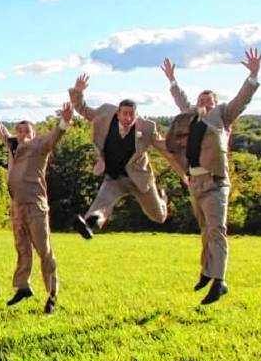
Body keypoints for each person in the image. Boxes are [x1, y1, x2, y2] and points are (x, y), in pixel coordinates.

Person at [163, 49, 261, 305]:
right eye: (201, 100)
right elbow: (181, 100)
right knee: (205, 231)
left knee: (217, 230)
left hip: (216, 182)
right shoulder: (190, 116)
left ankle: (220, 281)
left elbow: (241, 100)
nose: (204, 103)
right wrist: (172, 80)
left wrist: (253, 75)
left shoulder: (222, 116)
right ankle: (207, 272)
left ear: (215, 103)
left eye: (209, 100)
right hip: (195, 182)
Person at [0, 97, 72, 314]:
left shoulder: (40, 146)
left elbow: (54, 137)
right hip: (17, 207)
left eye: (26, 131)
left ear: (33, 133)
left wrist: (64, 122)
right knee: (22, 248)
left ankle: (52, 293)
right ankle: (23, 287)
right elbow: (0, 130)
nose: (22, 134)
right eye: (19, 131)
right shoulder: (13, 145)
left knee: (44, 250)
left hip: (35, 207)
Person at [67, 73, 180, 238]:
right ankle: (90, 223)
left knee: (158, 217)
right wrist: (78, 92)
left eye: (131, 114)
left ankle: (162, 201)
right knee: (102, 204)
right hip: (114, 178)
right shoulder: (104, 115)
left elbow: (164, 147)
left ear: (136, 115)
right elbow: (83, 109)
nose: (128, 118)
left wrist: (182, 156)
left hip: (140, 179)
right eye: (124, 114)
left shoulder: (147, 128)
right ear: (117, 113)